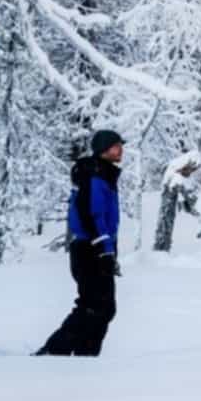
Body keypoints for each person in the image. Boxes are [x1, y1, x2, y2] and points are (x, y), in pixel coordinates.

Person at [37, 130, 124, 356]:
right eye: (116, 146)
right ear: (104, 149)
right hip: (89, 249)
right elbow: (92, 214)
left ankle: (86, 356)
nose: (120, 150)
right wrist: (103, 249)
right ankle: (56, 351)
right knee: (94, 306)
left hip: (97, 248)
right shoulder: (94, 175)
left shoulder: (103, 174)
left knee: (103, 308)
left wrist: (110, 252)